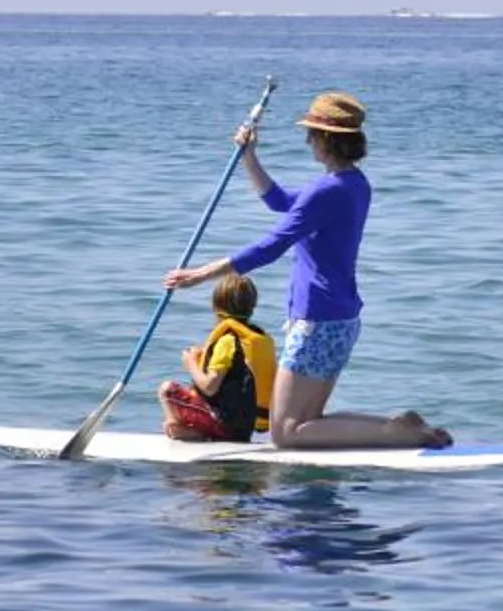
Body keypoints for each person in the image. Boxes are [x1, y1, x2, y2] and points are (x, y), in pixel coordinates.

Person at [162, 90, 449, 451]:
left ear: (327, 139)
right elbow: (280, 202)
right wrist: (249, 157)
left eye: (311, 133)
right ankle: (395, 426)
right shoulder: (354, 184)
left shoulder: (327, 190)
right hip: (340, 319)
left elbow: (272, 245)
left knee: (287, 433)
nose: (307, 140)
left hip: (317, 321)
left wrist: (200, 275)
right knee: (307, 420)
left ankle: (397, 434)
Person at [157, 273, 277, 443]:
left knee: (167, 389)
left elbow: (210, 387)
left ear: (215, 306)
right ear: (252, 306)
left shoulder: (228, 341)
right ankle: (190, 430)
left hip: (224, 425)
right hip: (246, 427)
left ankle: (187, 431)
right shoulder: (260, 339)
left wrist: (191, 364)